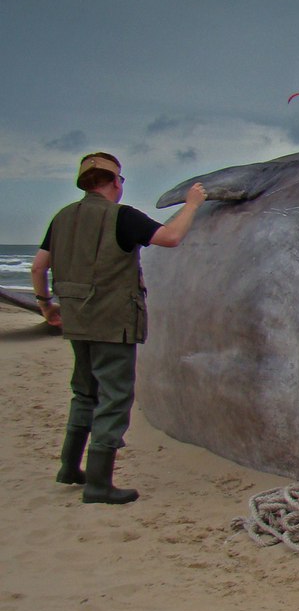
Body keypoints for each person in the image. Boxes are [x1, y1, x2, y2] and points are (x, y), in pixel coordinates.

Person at [31, 153, 206, 504]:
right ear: (115, 182)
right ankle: (98, 483)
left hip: (77, 321)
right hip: (113, 323)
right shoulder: (121, 217)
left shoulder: (62, 217)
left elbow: (38, 267)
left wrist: (46, 304)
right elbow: (170, 237)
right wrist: (192, 204)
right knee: (114, 398)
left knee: (84, 392)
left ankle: (69, 467)